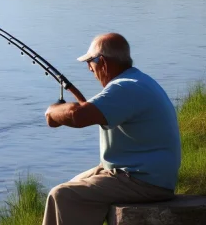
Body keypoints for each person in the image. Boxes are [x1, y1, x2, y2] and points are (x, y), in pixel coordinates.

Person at [43, 33, 181, 225]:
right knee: (72, 184)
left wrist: (51, 112)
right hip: (138, 173)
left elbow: (78, 116)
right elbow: (87, 112)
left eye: (90, 62)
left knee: (63, 195)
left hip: (144, 181)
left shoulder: (125, 88)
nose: (89, 68)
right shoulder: (138, 80)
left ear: (103, 62)